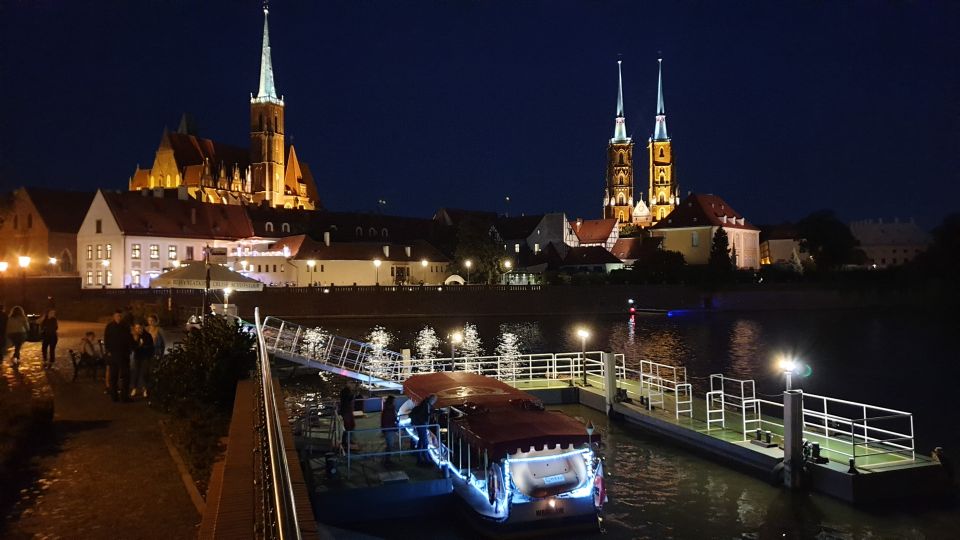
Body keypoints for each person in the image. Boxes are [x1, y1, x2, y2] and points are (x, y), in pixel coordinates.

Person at [104, 309, 133, 402]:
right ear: (114, 316)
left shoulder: (125, 326)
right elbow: (106, 340)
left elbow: (129, 339)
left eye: (120, 316)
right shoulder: (110, 326)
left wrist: (129, 350)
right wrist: (108, 350)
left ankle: (123, 397)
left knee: (124, 377)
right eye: (117, 316)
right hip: (114, 355)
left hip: (123, 355)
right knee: (114, 377)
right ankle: (115, 396)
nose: (118, 317)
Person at [410, 394, 437, 465]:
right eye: (434, 400)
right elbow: (423, 415)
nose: (434, 402)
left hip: (421, 425)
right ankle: (426, 459)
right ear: (432, 400)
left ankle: (420, 458)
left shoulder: (426, 404)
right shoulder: (425, 406)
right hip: (421, 425)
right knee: (425, 442)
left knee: (421, 442)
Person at [130, 322, 154, 399]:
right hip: (137, 357)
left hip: (145, 357)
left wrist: (144, 347)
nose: (138, 330)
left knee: (144, 373)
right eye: (136, 328)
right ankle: (134, 388)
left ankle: (145, 389)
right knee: (136, 372)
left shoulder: (147, 335)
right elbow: (132, 347)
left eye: (139, 328)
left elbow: (151, 347)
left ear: (142, 327)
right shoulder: (134, 336)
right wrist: (137, 343)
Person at [339, 382, 356, 450]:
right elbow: (346, 400)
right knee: (347, 427)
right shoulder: (345, 392)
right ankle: (344, 442)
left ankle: (348, 440)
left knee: (351, 425)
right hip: (346, 412)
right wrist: (352, 396)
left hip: (348, 411)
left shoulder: (346, 391)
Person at [381, 395, 398, 465]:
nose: (395, 402)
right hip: (389, 429)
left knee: (389, 445)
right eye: (394, 401)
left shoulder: (388, 409)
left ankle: (387, 459)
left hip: (389, 428)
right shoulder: (389, 410)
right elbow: (388, 420)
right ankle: (387, 460)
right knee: (390, 445)